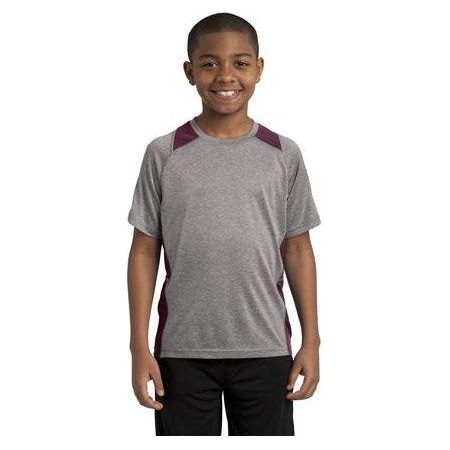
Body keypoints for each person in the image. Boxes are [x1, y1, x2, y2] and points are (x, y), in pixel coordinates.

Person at [127, 12, 322, 436]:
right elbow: (144, 250)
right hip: (181, 350)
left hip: (266, 346)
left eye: (240, 62)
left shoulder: (283, 154)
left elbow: (297, 249)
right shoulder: (164, 153)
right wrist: (138, 346)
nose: (225, 75)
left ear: (259, 69)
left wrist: (312, 340)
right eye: (210, 63)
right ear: (190, 72)